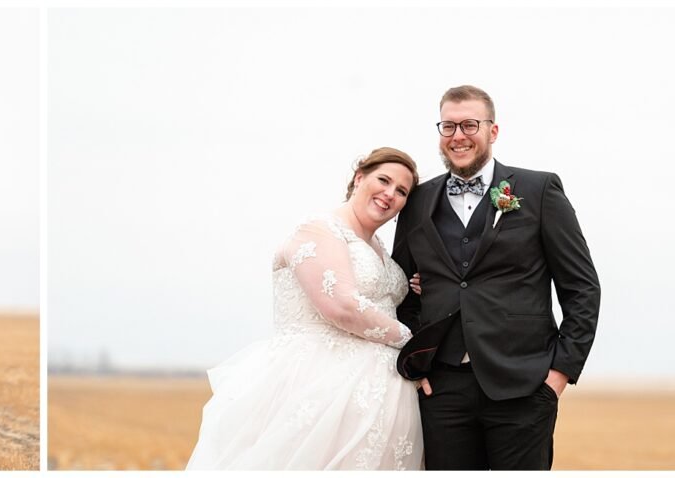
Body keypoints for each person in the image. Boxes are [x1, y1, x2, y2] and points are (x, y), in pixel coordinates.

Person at [392, 85, 601, 470]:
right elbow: (400, 290)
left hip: (524, 384)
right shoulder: (418, 200)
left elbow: (581, 287)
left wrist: (559, 375)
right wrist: (415, 364)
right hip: (443, 389)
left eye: (470, 125)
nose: (458, 136)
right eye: (448, 126)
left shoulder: (539, 190)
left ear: (493, 130)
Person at [187, 147, 424, 470]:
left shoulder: (380, 248)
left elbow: (382, 300)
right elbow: (342, 306)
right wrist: (414, 344)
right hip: (319, 387)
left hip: (381, 400)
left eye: (401, 191)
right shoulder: (318, 228)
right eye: (383, 180)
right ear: (359, 177)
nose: (389, 194)